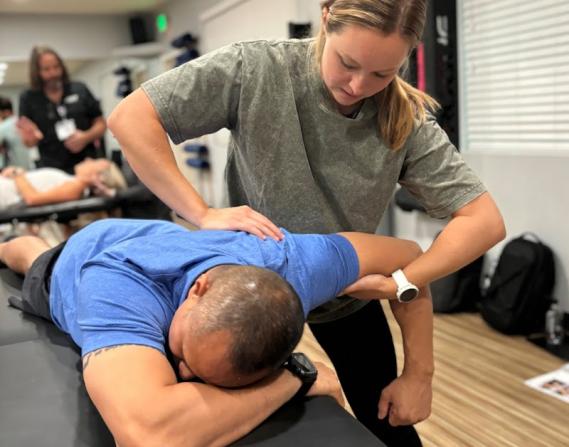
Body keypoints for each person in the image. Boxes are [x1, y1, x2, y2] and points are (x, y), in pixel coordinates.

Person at [107, 0, 506, 445]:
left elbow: (483, 221)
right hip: (249, 291)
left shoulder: (406, 120)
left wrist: (405, 296)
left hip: (345, 291)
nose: (357, 86)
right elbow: (131, 117)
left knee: (389, 426)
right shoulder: (256, 69)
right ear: (326, 15)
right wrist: (201, 212)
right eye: (347, 63)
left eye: (382, 74)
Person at [1, 218, 429, 446]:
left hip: (160, 239)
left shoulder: (299, 261)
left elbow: (412, 257)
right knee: (29, 255)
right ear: (199, 290)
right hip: (78, 261)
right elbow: (149, 436)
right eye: (184, 354)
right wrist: (299, 375)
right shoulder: (116, 288)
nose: (184, 374)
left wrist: (418, 375)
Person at [17, 46, 106, 174]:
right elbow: (28, 142)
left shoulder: (79, 89)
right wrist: (31, 138)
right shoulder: (28, 98)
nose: (53, 73)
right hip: (52, 171)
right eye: (46, 69)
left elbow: (101, 124)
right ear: (36, 72)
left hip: (88, 165)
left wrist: (86, 137)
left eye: (56, 67)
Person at [0, 158, 126, 210]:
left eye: (94, 162)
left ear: (98, 177)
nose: (88, 159)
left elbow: (32, 198)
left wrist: (17, 174)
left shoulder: (76, 187)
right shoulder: (71, 181)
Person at [0, 96, 33, 170]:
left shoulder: (3, 126)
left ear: (5, 112)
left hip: (15, 171)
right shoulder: (24, 122)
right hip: (32, 167)